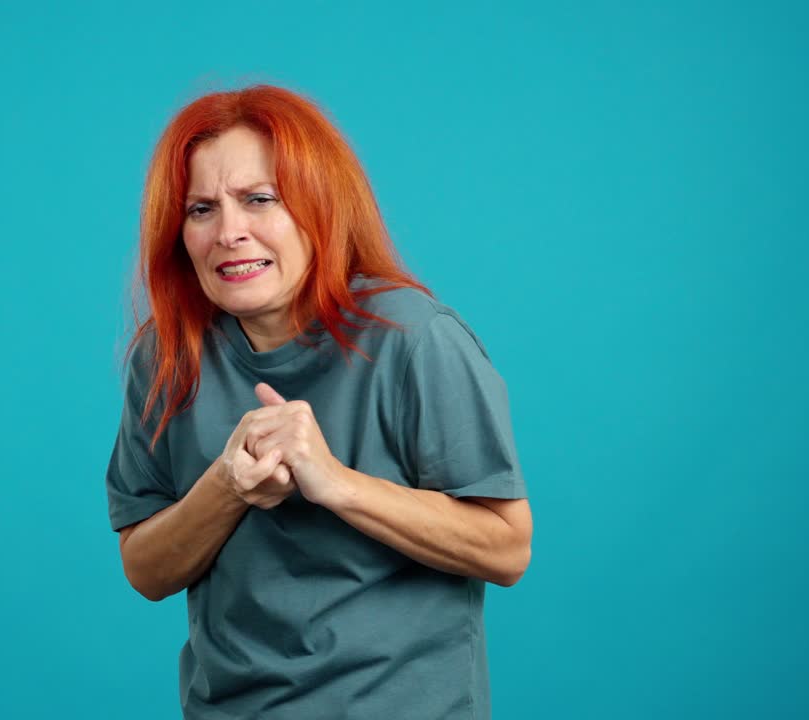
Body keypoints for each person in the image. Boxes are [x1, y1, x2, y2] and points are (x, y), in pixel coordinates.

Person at [105, 84, 533, 720]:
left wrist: (335, 483)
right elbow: (145, 569)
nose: (229, 232)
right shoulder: (169, 357)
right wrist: (226, 486)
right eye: (201, 209)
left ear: (321, 207)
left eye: (259, 200)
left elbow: (506, 547)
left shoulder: (415, 339)